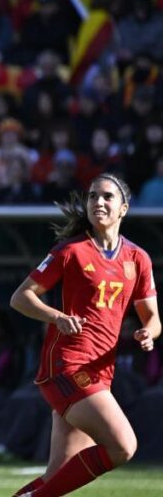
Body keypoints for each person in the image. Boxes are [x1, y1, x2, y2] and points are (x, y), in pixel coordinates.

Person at [9, 173, 159, 497]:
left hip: (100, 372)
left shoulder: (137, 258)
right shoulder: (71, 251)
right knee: (123, 446)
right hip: (66, 367)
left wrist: (149, 332)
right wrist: (57, 317)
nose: (98, 202)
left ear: (124, 209)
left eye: (107, 197)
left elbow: (154, 318)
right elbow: (20, 297)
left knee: (58, 475)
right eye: (93, 196)